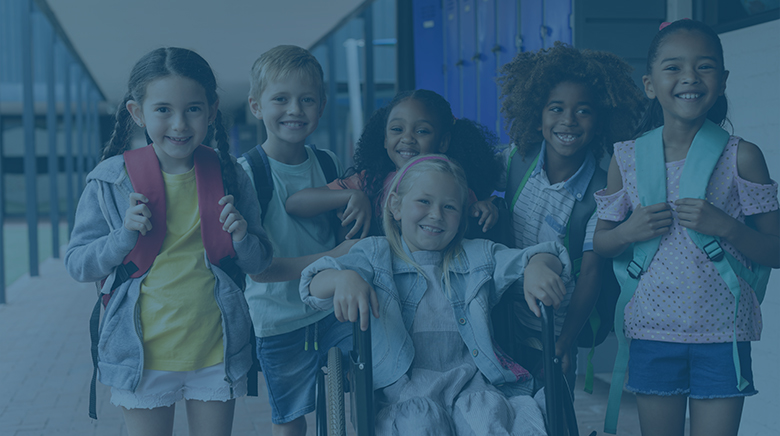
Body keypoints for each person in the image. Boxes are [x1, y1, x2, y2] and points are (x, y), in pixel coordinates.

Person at [65, 47, 273, 436]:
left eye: (193, 109)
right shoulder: (111, 179)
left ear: (212, 111)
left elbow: (260, 263)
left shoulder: (231, 176)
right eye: (163, 110)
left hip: (217, 351)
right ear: (136, 112)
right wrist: (122, 236)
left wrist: (242, 235)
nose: (179, 123)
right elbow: (78, 263)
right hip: (142, 356)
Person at [593, 20, 779, 436]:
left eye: (705, 67)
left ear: (723, 80)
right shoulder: (626, 158)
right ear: (649, 83)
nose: (690, 78)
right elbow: (602, 242)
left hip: (724, 337)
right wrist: (628, 231)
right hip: (652, 334)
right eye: (673, 67)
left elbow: (777, 250)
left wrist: (726, 226)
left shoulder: (742, 157)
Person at [300, 155, 575, 435]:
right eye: (424, 202)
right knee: (419, 424)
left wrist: (538, 265)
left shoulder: (478, 255)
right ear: (395, 205)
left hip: (470, 385)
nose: (436, 215)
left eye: (449, 207)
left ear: (461, 216)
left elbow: (545, 255)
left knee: (486, 421)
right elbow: (312, 283)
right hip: (404, 392)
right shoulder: (374, 255)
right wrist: (343, 278)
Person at [497, 41, 645, 391]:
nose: (568, 121)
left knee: (554, 414)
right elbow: (463, 187)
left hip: (552, 326)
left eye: (583, 111)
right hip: (501, 317)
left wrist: (563, 342)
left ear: (601, 121)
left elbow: (592, 273)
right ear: (537, 117)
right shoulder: (515, 160)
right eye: (556, 109)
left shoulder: (602, 190)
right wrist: (483, 202)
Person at [239, 45, 355, 436]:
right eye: (281, 99)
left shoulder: (329, 163)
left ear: (321, 106)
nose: (295, 109)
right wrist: (334, 256)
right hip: (278, 318)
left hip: (330, 310)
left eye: (307, 100)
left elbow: (346, 234)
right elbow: (261, 272)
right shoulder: (247, 173)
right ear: (256, 106)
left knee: (365, 390)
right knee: (289, 419)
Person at [285, 89, 504, 239]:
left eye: (422, 131)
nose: (407, 138)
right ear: (384, 138)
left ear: (444, 141)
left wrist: (482, 209)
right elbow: (295, 204)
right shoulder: (369, 181)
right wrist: (352, 196)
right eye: (397, 129)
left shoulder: (455, 187)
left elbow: (473, 217)